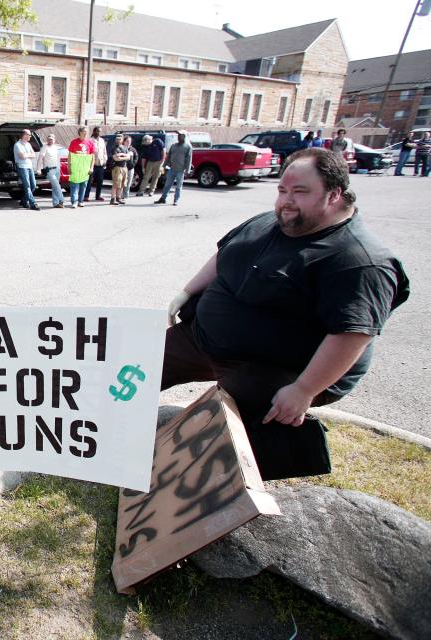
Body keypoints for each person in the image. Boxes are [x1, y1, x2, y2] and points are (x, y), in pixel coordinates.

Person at [162, 147, 409, 480]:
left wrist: (305, 389)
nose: (286, 200)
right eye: (282, 190)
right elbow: (225, 254)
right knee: (141, 362)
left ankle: (227, 477)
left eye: (300, 191)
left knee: (230, 422)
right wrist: (188, 291)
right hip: (205, 340)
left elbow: (352, 335)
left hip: (279, 367)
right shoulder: (275, 221)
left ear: (334, 194)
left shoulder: (359, 260)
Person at [156, 131, 192, 206]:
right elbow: (168, 157)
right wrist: (164, 165)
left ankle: (176, 200)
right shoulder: (173, 146)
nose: (179, 137)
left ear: (184, 137)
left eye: (180, 136)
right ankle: (163, 198)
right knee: (167, 184)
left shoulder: (188, 147)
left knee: (178, 186)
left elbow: (189, 159)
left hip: (181, 170)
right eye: (178, 136)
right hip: (172, 169)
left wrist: (187, 170)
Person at [66, 126, 94, 208]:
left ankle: (80, 201)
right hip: (75, 168)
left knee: (83, 186)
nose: (85, 133)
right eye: (84, 132)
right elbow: (70, 156)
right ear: (80, 133)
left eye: (86, 132)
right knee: (74, 186)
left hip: (85, 169)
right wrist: (69, 166)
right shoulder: (74, 142)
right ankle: (74, 202)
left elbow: (92, 157)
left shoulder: (90, 143)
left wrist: (91, 167)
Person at [35, 133, 65, 208]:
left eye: (51, 139)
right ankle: (61, 200)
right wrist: (38, 169)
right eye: (49, 139)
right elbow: (40, 158)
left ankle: (56, 203)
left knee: (55, 186)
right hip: (49, 170)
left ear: (54, 140)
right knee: (57, 185)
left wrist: (59, 168)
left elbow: (58, 159)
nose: (50, 140)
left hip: (57, 169)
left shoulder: (55, 148)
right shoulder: (44, 147)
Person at [13, 128, 38, 211]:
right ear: (24, 135)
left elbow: (33, 155)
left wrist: (26, 155)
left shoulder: (28, 144)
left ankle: (23, 201)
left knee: (33, 185)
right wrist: (28, 155)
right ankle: (32, 203)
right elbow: (21, 156)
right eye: (29, 135)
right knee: (27, 185)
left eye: (30, 135)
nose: (30, 136)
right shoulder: (17, 145)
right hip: (22, 167)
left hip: (29, 166)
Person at [84, 127, 107, 202]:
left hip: (100, 163)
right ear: (94, 132)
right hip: (92, 164)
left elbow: (104, 151)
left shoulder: (102, 140)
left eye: (100, 132)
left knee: (100, 181)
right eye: (97, 131)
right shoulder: (90, 140)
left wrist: (105, 160)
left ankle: (98, 196)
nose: (99, 133)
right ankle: (86, 196)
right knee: (90, 181)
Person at [108, 134, 129, 206]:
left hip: (124, 167)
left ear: (122, 140)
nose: (118, 140)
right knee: (116, 184)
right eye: (117, 139)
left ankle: (118, 198)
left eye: (120, 139)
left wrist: (121, 155)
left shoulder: (125, 148)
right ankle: (112, 199)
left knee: (122, 184)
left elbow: (128, 157)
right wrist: (124, 156)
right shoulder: (114, 148)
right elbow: (115, 158)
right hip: (117, 168)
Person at [121, 135, 137, 200]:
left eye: (130, 141)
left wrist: (133, 164)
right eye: (127, 141)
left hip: (130, 168)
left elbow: (136, 157)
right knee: (122, 182)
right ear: (124, 142)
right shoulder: (121, 148)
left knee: (129, 182)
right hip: (122, 168)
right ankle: (119, 195)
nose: (129, 143)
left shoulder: (133, 149)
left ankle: (126, 195)